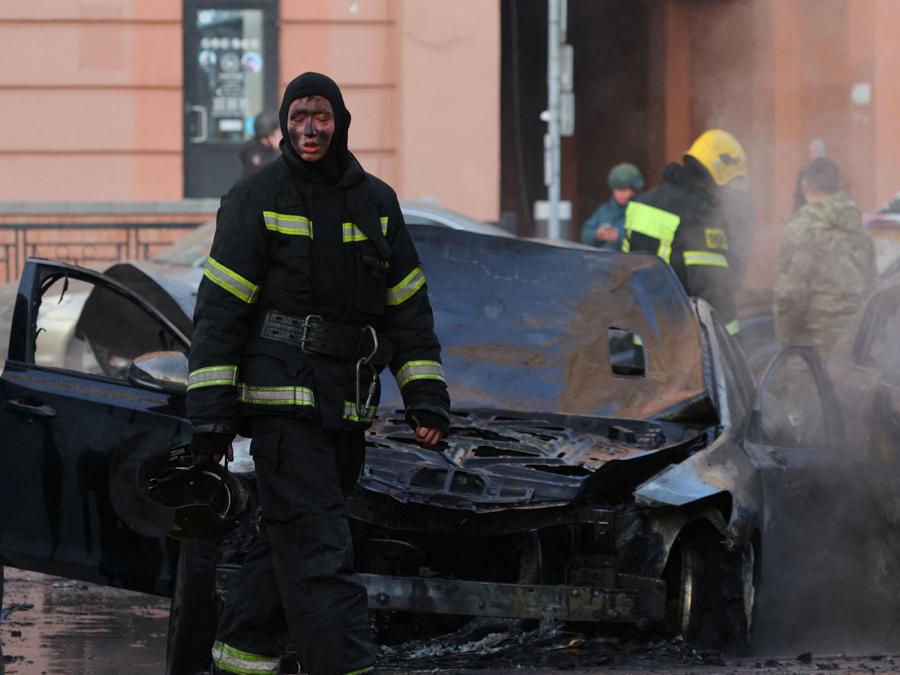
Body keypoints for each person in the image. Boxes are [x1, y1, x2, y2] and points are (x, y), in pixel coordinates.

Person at [188, 72, 451, 675]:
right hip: (283, 411)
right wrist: (211, 418)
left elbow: (408, 307)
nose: (310, 128)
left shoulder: (376, 203)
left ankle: (238, 661)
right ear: (285, 123)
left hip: (347, 412)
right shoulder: (256, 197)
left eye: (322, 116)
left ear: (340, 122)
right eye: (299, 115)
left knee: (283, 553)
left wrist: (426, 397)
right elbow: (220, 314)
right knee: (322, 556)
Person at [623, 129, 750, 335]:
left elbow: (625, 269)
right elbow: (712, 288)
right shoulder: (700, 215)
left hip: (637, 334)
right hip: (677, 341)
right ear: (719, 173)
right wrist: (731, 344)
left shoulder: (644, 202)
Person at [773, 157, 875, 352]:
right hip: (855, 350)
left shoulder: (799, 230)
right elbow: (872, 289)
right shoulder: (861, 231)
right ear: (841, 185)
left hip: (812, 353)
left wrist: (787, 342)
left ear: (805, 186)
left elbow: (789, 297)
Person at [580, 162, 645, 250]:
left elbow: (644, 243)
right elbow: (586, 232)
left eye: (624, 190)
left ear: (634, 190)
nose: (620, 194)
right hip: (604, 260)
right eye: (617, 189)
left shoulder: (642, 212)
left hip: (628, 261)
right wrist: (597, 235)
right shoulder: (604, 210)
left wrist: (619, 238)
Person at [239, 111, 281, 178]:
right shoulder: (251, 149)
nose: (280, 135)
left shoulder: (275, 148)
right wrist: (277, 150)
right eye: (277, 132)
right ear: (269, 135)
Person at [793, 138, 828, 211]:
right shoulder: (804, 173)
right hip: (807, 214)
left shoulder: (830, 172)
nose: (811, 155)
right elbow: (799, 197)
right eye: (810, 152)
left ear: (821, 152)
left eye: (814, 152)